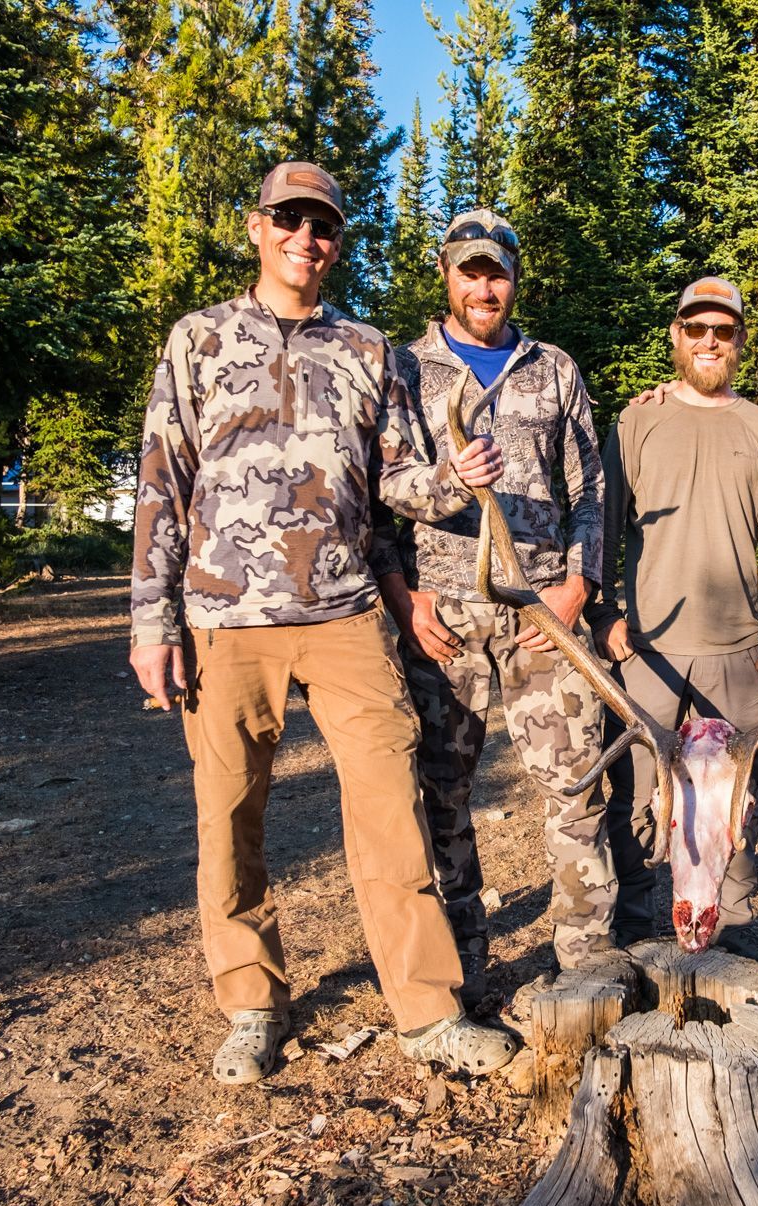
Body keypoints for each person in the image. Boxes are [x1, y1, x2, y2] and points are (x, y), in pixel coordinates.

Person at [129, 162, 518, 1084]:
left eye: (325, 226)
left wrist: (449, 481)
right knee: (231, 818)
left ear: (337, 241)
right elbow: (161, 481)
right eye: (291, 220)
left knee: (390, 811)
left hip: (346, 615)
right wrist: (153, 622)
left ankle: (426, 1009)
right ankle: (252, 1003)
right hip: (225, 616)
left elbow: (390, 481)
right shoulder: (198, 340)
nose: (308, 238)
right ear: (259, 227)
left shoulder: (366, 349)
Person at [379, 210, 611, 999]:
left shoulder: (553, 370)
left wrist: (577, 584)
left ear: (515, 276)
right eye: (470, 271)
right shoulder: (403, 370)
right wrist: (405, 601)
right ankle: (463, 973)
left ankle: (589, 967)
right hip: (444, 619)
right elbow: (375, 507)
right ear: (446, 274)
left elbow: (590, 491)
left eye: (497, 271)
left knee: (576, 791)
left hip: (542, 616)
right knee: (441, 798)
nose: (485, 286)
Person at [590, 277, 758, 961]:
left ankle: (734, 928)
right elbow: (602, 529)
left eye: (723, 331)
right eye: (696, 329)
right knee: (633, 792)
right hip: (648, 649)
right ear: (676, 336)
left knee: (737, 795)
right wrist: (602, 611)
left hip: (738, 650)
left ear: (740, 340)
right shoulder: (636, 423)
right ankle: (632, 928)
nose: (709, 342)